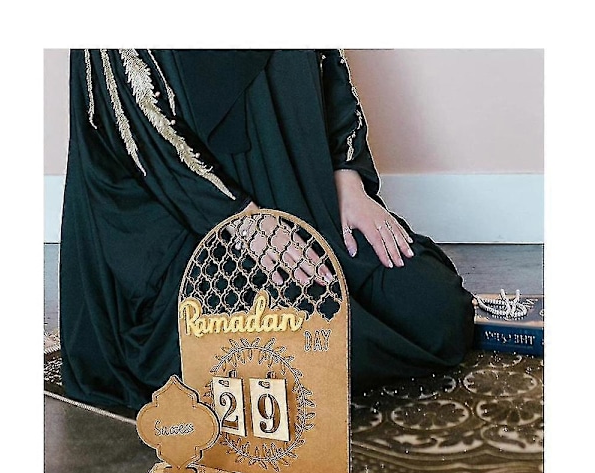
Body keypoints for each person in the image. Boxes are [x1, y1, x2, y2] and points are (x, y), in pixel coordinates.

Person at [59, 49, 474, 412]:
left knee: (434, 309)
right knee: (282, 347)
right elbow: (144, 128)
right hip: (191, 226)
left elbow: (328, 64)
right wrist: (242, 219)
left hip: (306, 206)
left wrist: (349, 177)